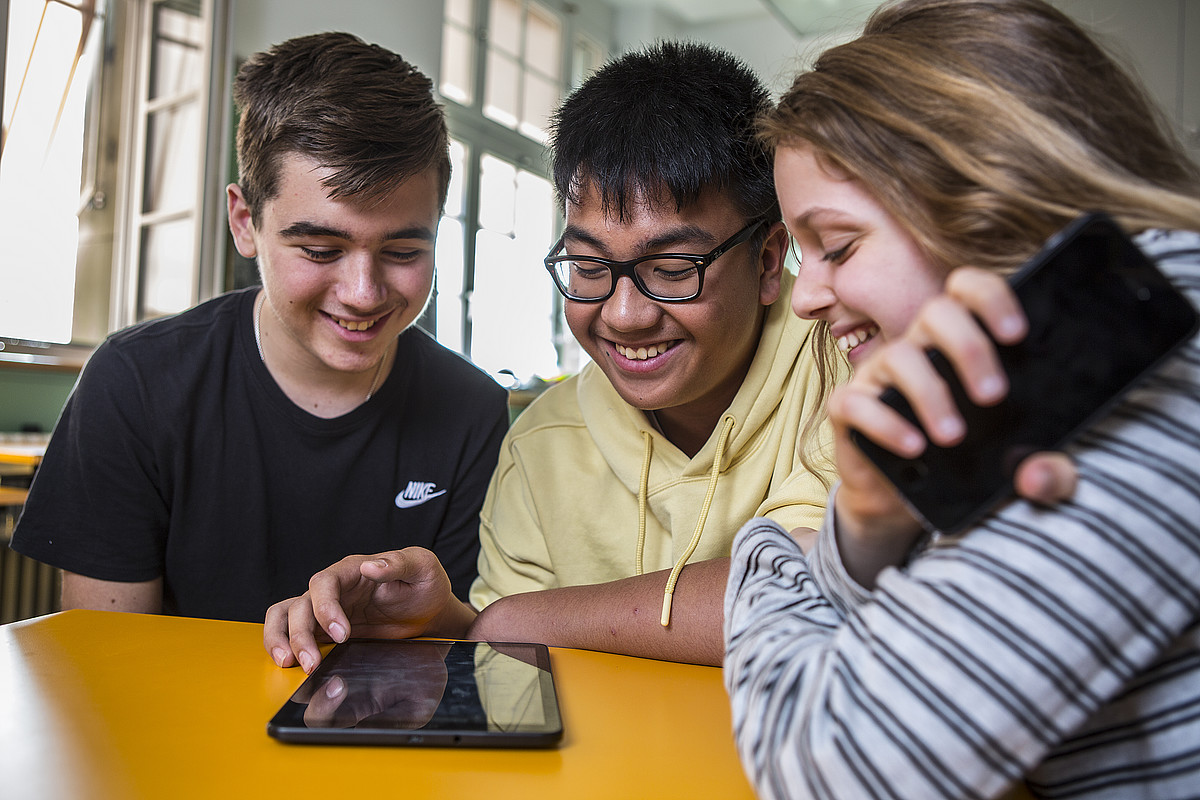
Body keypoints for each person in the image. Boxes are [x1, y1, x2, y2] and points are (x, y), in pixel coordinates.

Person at [723, 0, 1200, 798]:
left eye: (837, 246)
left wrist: (772, 551)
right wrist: (873, 522)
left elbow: (831, 766)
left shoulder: (1144, 355)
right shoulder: (1089, 345)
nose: (805, 299)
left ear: (984, 189)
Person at [263, 41, 837, 671]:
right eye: (589, 266)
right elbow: (503, 663)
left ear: (767, 258)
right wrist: (449, 620)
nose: (624, 314)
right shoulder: (541, 445)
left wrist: (518, 620)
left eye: (673, 268)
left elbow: (816, 590)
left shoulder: (847, 369)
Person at [9, 32, 509, 622]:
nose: (363, 294)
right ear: (245, 222)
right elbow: (105, 659)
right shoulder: (135, 383)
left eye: (402, 252)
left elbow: (457, 656)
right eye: (320, 250)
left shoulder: (473, 408)